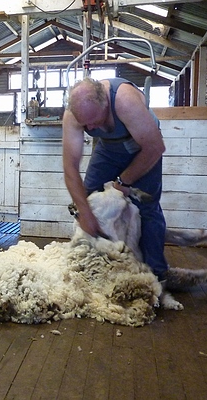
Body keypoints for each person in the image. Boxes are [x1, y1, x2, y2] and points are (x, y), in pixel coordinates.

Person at [62, 77, 168, 281]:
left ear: (105, 103)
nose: (90, 128)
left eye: (95, 120)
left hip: (143, 147)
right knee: (88, 197)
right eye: (86, 124)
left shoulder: (124, 100)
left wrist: (123, 181)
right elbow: (70, 168)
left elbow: (155, 147)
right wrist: (84, 212)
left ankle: (156, 274)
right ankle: (95, 267)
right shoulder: (73, 115)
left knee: (147, 206)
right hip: (108, 147)